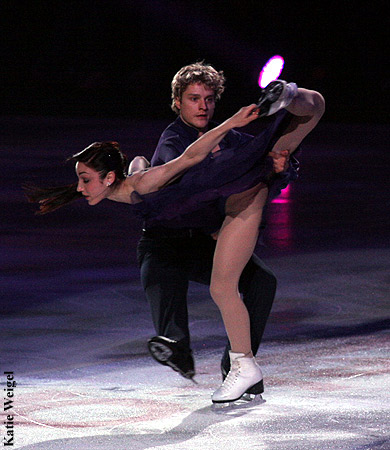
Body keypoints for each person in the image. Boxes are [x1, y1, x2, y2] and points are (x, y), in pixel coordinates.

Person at [137, 62, 324, 399]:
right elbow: (195, 183)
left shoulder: (232, 136)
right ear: (177, 102)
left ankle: (238, 367)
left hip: (205, 238)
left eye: (209, 98)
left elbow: (252, 174)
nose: (203, 106)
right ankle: (175, 342)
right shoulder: (174, 139)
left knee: (262, 282)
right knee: (166, 269)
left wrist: (276, 166)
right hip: (169, 240)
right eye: (194, 99)